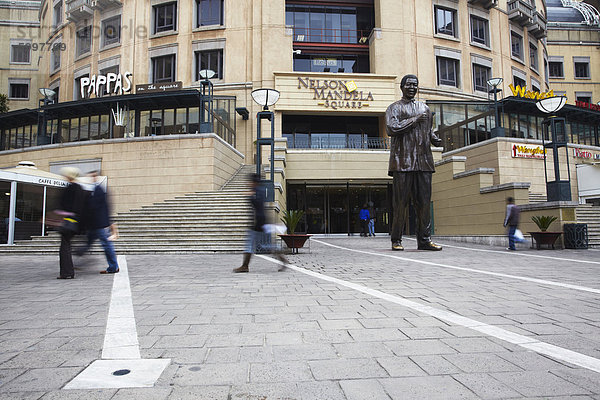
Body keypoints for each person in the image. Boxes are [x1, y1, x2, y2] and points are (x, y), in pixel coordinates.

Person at [386, 74, 442, 251]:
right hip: (402, 162)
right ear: (401, 87)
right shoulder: (394, 108)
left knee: (424, 204)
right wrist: (414, 120)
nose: (412, 87)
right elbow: (392, 128)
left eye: (415, 85)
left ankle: (424, 240)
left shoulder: (424, 108)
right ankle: (396, 239)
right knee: (400, 203)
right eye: (408, 84)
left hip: (423, 161)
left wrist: (434, 139)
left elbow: (428, 130)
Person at [234, 174, 288, 273]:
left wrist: (250, 197)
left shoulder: (258, 191)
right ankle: (282, 257)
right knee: (266, 245)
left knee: (253, 244)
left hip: (258, 221)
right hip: (260, 221)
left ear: (254, 182)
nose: (249, 184)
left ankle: (245, 266)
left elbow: (257, 204)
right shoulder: (260, 190)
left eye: (250, 182)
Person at [78, 170, 120, 274]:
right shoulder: (95, 190)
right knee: (88, 244)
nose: (91, 178)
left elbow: (96, 207)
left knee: (106, 245)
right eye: (90, 176)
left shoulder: (98, 190)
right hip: (94, 225)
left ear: (97, 177)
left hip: (99, 224)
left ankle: (113, 267)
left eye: (93, 176)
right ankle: (77, 263)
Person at [57, 167, 87, 279]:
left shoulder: (69, 188)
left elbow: (63, 205)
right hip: (77, 222)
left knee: (64, 247)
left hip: (68, 221)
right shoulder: (81, 189)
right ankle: (69, 270)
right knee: (68, 245)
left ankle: (67, 272)